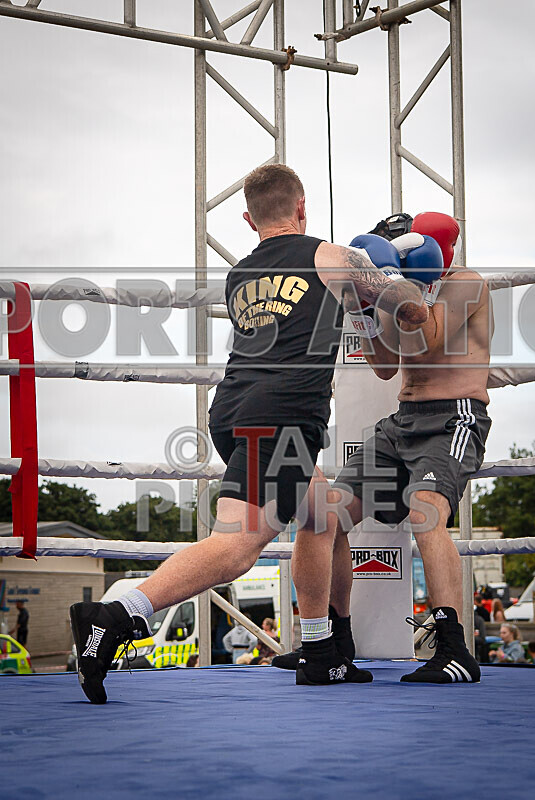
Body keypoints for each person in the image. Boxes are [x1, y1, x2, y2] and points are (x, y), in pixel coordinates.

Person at [69, 164, 428, 703]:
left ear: (247, 218)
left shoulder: (240, 276)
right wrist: (403, 273)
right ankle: (117, 616)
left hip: (233, 408)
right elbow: (413, 311)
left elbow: (377, 360)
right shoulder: (332, 256)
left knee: (321, 515)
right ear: (303, 207)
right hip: (282, 415)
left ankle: (321, 650)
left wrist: (366, 307)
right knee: (237, 549)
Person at [274, 211, 493, 684]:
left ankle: (454, 649)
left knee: (426, 510)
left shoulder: (466, 282)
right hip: (403, 423)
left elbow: (430, 339)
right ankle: (332, 643)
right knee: (323, 514)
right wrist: (363, 307)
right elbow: (385, 367)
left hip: (453, 416)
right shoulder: (401, 291)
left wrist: (397, 286)